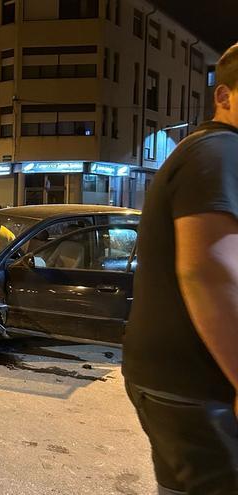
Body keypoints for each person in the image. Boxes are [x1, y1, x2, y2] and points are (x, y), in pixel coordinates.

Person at [123, 43, 238, 495]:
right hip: (199, 387)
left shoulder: (206, 152)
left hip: (176, 383)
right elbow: (208, 273)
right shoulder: (220, 153)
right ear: (224, 96)